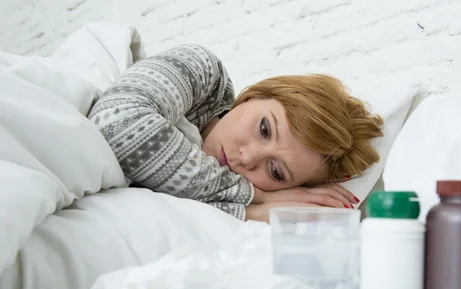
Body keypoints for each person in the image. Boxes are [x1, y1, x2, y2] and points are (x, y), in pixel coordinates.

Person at [88, 44, 383, 222]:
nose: (248, 156)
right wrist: (257, 200)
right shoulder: (203, 71)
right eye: (264, 129)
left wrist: (253, 213)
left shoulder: (217, 197)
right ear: (255, 96)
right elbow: (118, 126)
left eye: (276, 172)